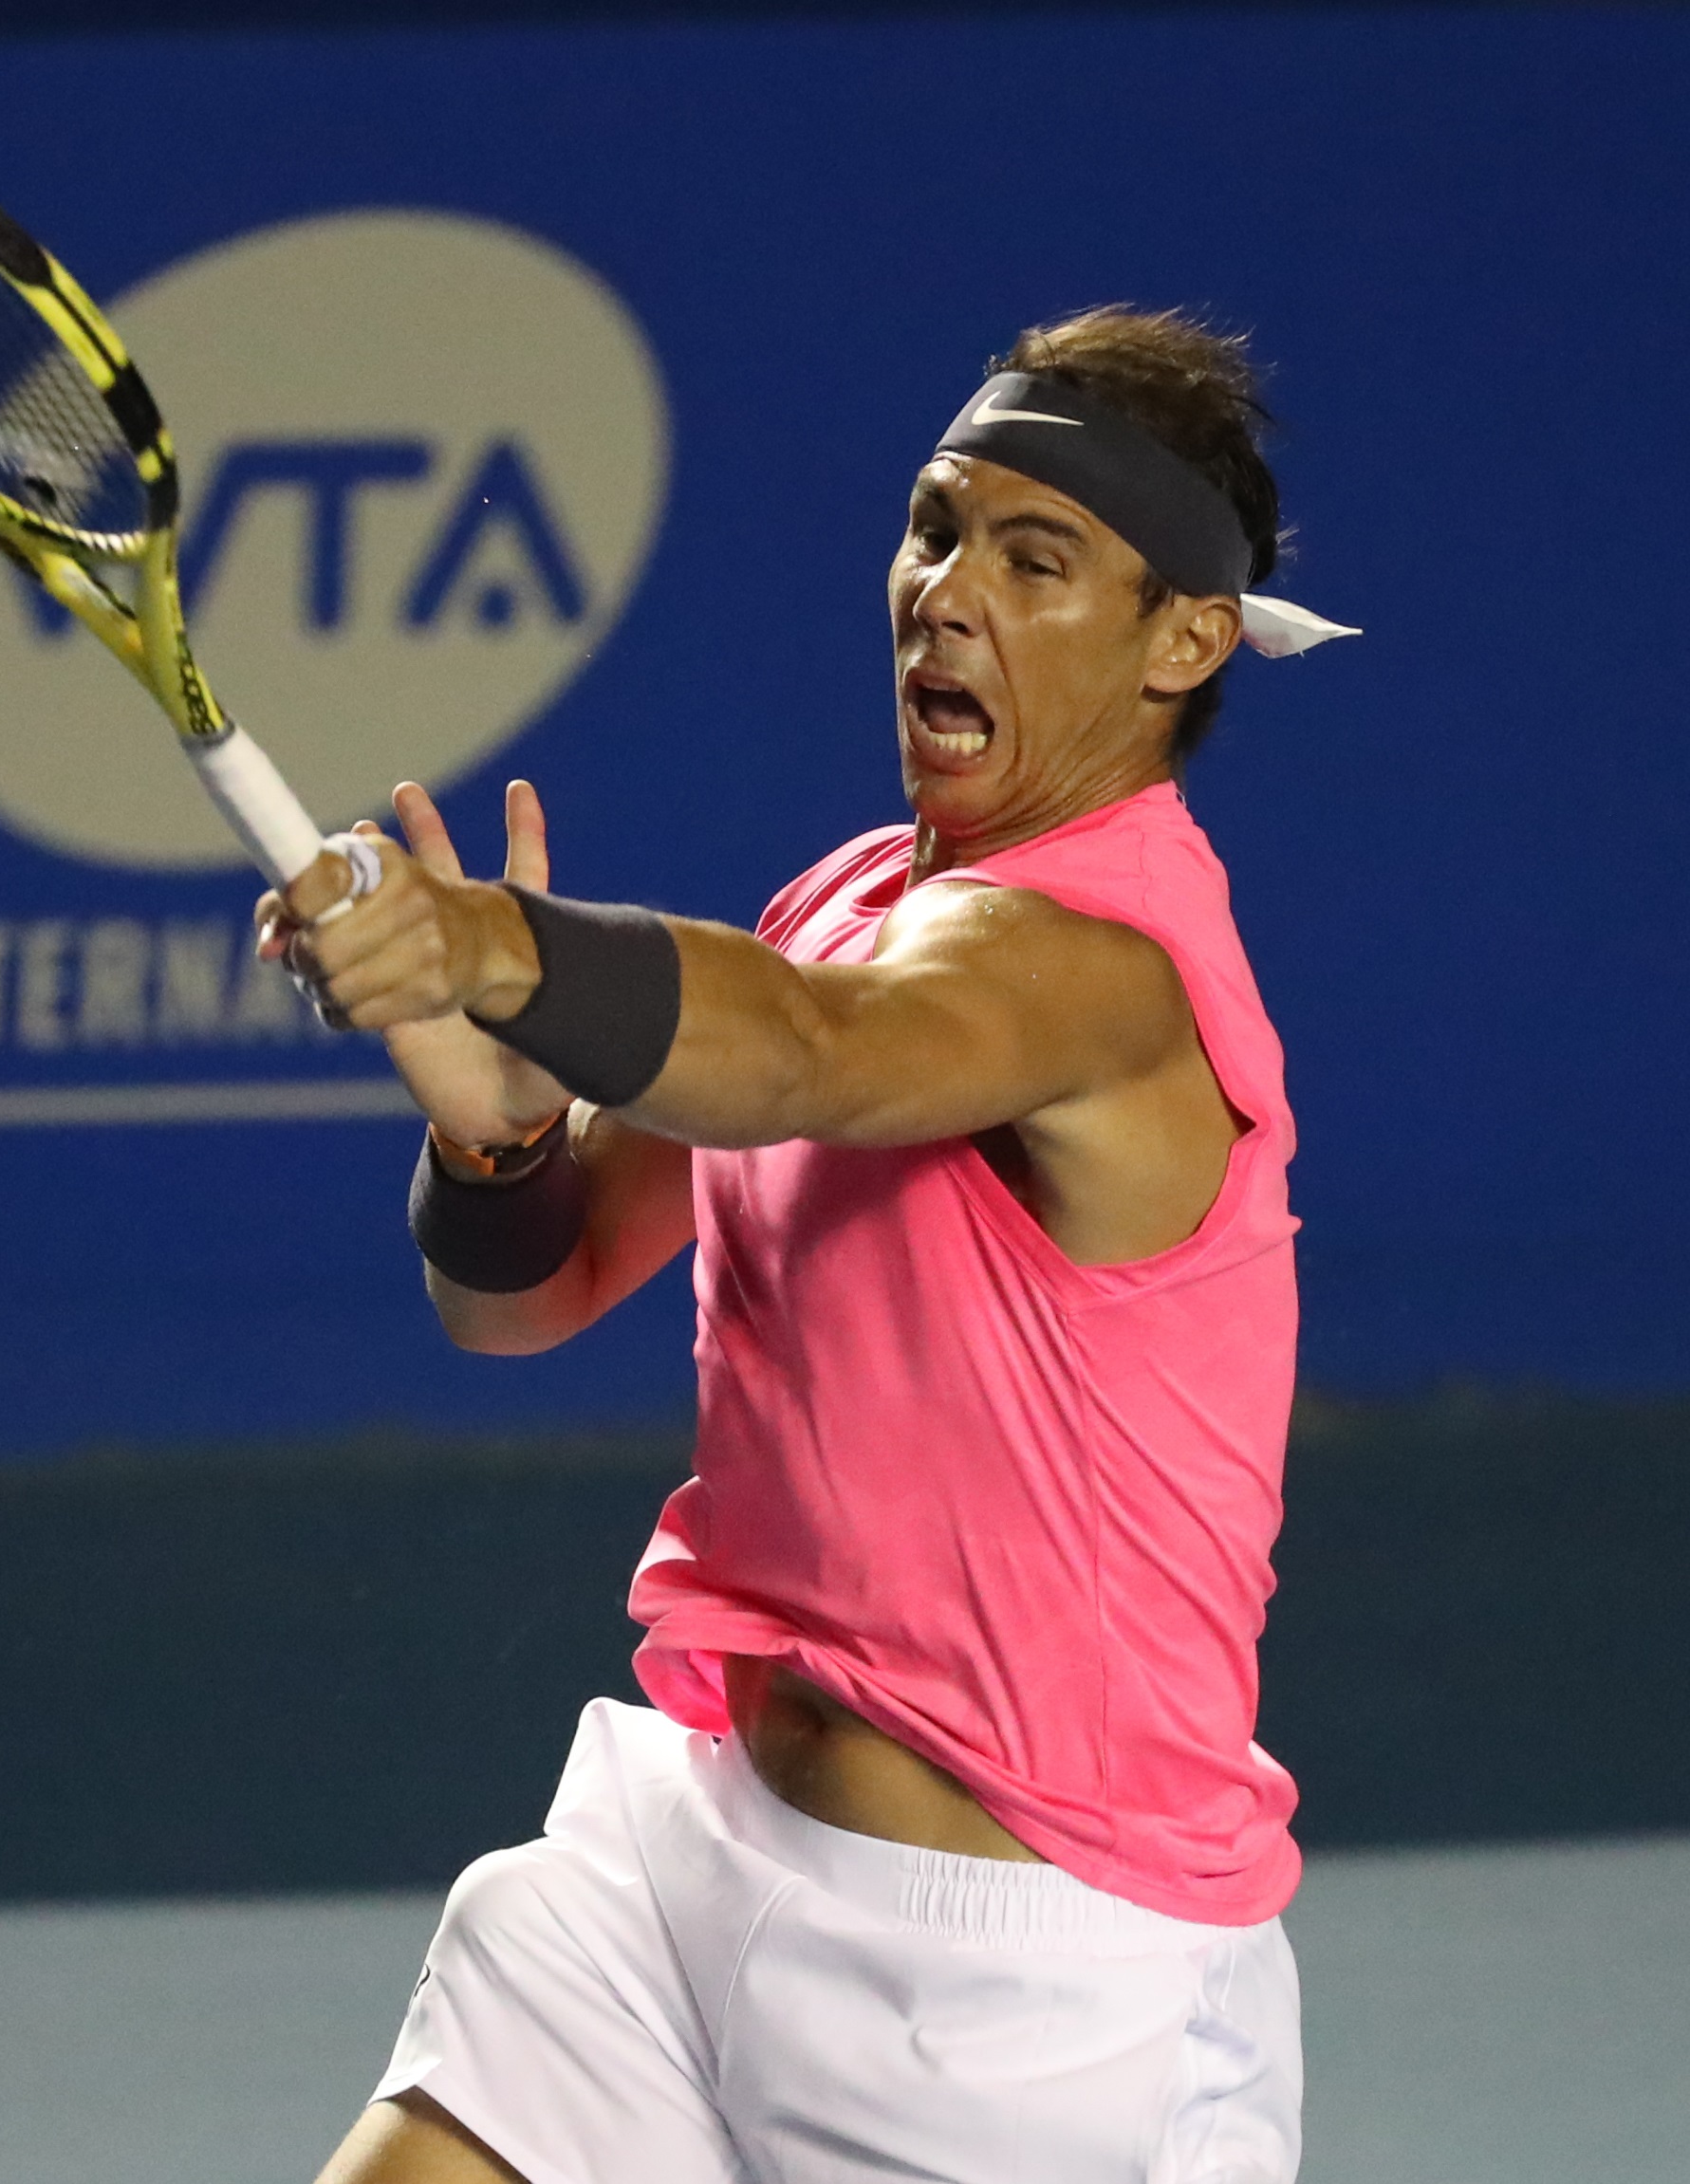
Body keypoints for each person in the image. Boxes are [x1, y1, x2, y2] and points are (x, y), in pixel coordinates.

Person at [257, 307, 1357, 2184]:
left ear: (1180, 638)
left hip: (1023, 1997)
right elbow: (520, 1296)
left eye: (1033, 559)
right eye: (933, 528)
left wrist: (491, 943)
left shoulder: (1107, 970)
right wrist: (491, 1123)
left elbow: (814, 1052)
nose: (945, 595)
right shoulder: (849, 897)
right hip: (691, 1860)